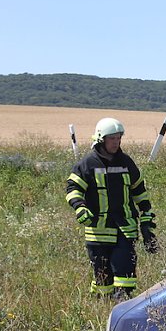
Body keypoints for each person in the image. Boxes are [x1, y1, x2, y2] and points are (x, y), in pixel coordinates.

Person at [65, 117, 157, 299]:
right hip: (97, 231)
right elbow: (73, 188)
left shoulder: (126, 162)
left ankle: (123, 306)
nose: (116, 143)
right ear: (101, 139)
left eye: (118, 138)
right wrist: (80, 207)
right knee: (102, 279)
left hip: (125, 228)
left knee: (125, 275)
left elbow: (139, 190)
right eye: (112, 139)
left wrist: (146, 216)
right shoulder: (87, 164)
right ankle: (103, 308)